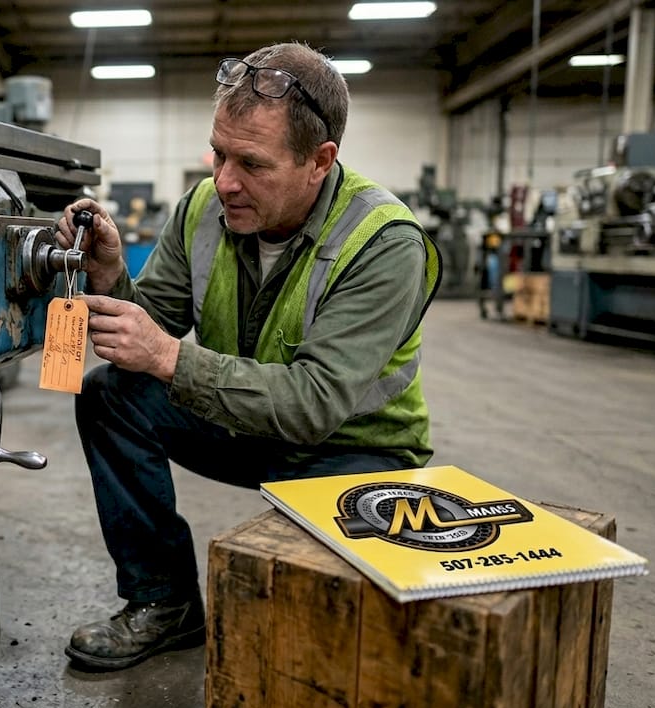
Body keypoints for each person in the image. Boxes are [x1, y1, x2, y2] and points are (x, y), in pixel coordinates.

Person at [52, 41, 442, 672]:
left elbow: (315, 405)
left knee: (300, 648)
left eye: (252, 164)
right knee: (109, 395)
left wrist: (171, 359)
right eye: (219, 153)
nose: (224, 181)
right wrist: (110, 277)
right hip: (246, 426)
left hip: (352, 451)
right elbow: (146, 337)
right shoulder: (204, 209)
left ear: (320, 161)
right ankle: (165, 601)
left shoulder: (384, 242)